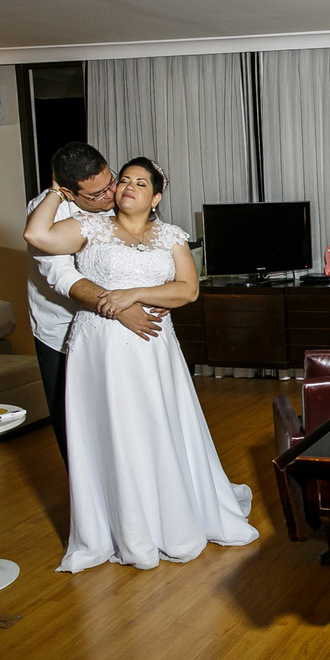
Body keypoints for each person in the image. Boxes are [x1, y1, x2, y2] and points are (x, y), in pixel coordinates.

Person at [24, 156, 258, 572]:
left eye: (140, 183)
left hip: (152, 346)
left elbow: (187, 291)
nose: (129, 188)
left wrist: (132, 294)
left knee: (155, 422)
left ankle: (172, 515)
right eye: (125, 181)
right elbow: (36, 234)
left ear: (156, 197)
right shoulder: (89, 227)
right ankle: (122, 526)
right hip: (100, 347)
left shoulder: (170, 235)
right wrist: (58, 191)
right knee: (114, 428)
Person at [27, 142, 165, 466]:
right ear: (69, 193)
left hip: (121, 329)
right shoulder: (48, 214)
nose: (110, 195)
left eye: (110, 182)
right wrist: (121, 307)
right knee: (74, 423)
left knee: (128, 414)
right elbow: (62, 277)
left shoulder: (116, 195)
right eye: (97, 194)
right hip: (60, 330)